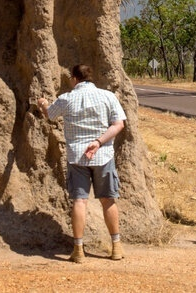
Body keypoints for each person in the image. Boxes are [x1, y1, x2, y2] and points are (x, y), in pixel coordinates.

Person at [37, 64, 127, 263]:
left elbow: (50, 114)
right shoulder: (107, 96)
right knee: (108, 199)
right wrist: (98, 142)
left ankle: (78, 250)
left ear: (74, 78)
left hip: (77, 156)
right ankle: (116, 247)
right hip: (103, 155)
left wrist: (42, 103)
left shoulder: (67, 99)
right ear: (90, 77)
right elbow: (119, 124)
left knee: (80, 201)